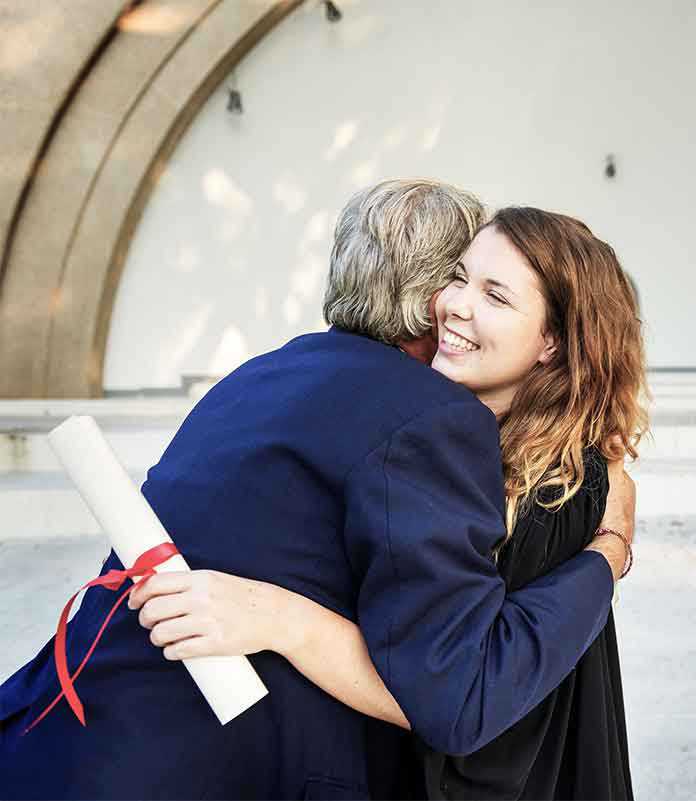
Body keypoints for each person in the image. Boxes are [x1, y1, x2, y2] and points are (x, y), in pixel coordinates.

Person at [0, 181, 633, 800]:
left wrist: (282, 619)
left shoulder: (263, 375)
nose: (457, 304)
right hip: (183, 762)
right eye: (459, 278)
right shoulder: (431, 420)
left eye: (494, 293)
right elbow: (456, 694)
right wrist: (611, 550)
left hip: (61, 729)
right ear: (427, 293)